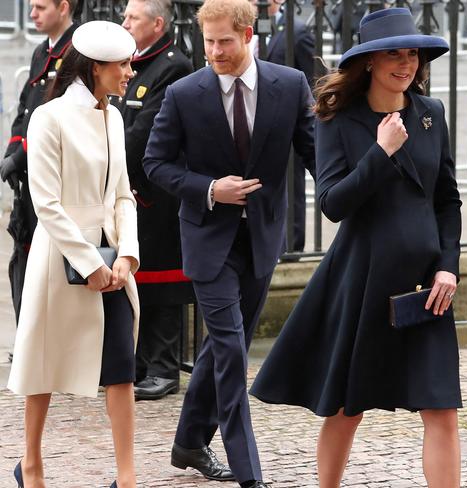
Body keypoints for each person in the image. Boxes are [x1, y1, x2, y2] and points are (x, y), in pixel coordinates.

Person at [250, 8, 462, 488]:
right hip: (366, 280)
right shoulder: (336, 119)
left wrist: (449, 267)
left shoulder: (432, 115)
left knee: (441, 409)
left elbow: (447, 200)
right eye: (393, 54)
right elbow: (332, 203)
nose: (405, 64)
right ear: (369, 61)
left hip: (429, 285)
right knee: (348, 408)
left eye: (412, 54)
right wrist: (380, 151)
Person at [142, 0, 315, 485]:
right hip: (206, 239)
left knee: (221, 349)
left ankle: (188, 443)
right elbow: (156, 164)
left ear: (247, 34)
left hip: (261, 239)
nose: (214, 51)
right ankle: (248, 472)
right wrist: (209, 188)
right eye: (208, 41)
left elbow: (315, 153)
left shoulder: (289, 85)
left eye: (225, 41)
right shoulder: (183, 94)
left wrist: (350, 193)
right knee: (233, 352)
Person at [7, 21, 140, 488]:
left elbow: (123, 195)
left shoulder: (115, 117)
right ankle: (33, 465)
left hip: (113, 256)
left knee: (121, 364)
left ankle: (127, 477)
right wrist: (91, 264)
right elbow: (46, 203)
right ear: (96, 67)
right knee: (43, 365)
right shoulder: (50, 117)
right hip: (60, 257)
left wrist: (126, 256)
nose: (130, 71)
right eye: (122, 64)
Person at [116, 0, 194, 401]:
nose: (124, 22)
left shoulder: (172, 66)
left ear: (157, 24)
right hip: (129, 186)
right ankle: (142, 361)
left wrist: (109, 162)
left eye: (132, 17)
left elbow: (143, 131)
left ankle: (164, 365)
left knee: (162, 278)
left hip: (155, 190)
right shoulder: (135, 63)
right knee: (136, 274)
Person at [0, 0, 78, 331]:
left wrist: (24, 155)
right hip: (29, 176)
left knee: (51, 262)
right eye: (30, 7)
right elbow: (25, 109)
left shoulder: (77, 51)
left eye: (40, 7)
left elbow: (61, 116)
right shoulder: (40, 52)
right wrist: (14, 150)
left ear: (63, 7)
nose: (32, 14)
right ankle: (30, 336)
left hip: (56, 175)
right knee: (25, 258)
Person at [262, 0, 315, 253]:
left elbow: (313, 82)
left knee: (292, 188)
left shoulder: (299, 31)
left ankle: (292, 248)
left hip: (288, 125)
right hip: (257, 126)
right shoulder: (248, 29)